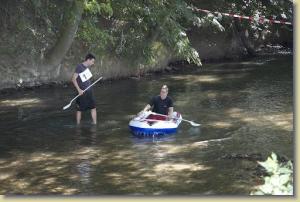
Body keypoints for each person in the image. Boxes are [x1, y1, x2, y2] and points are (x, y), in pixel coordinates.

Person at [72, 53, 97, 125]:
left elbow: (85, 79)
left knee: (93, 107)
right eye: (92, 61)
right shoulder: (79, 67)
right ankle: (78, 125)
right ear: (88, 60)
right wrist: (79, 90)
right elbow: (73, 79)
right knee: (79, 109)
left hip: (89, 91)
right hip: (81, 92)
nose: (93, 63)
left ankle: (95, 124)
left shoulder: (87, 68)